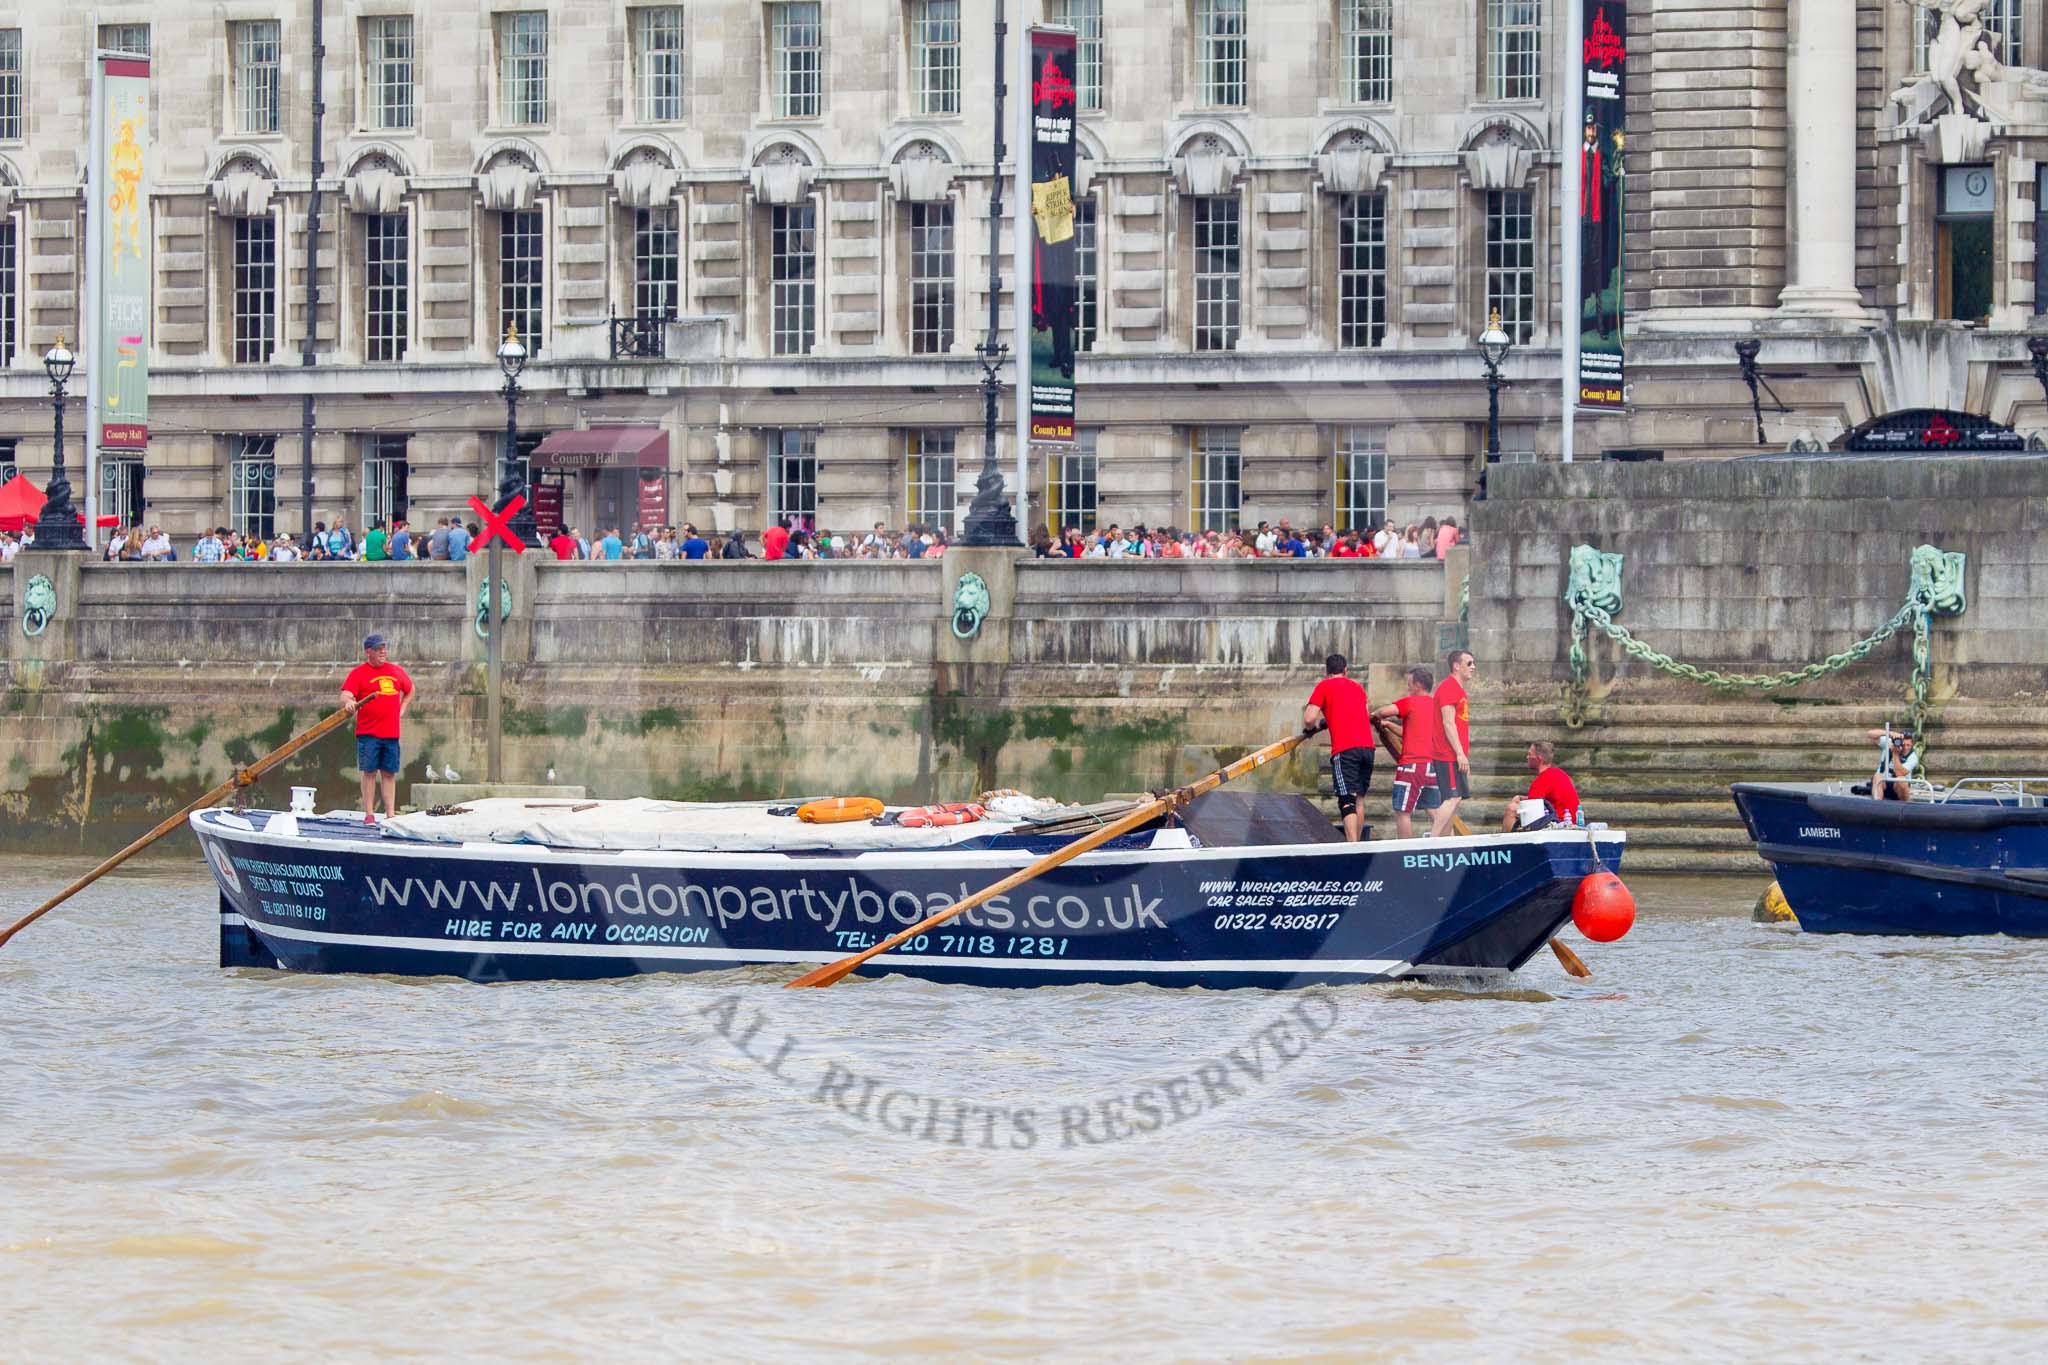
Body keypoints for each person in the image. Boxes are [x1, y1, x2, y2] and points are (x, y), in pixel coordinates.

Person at [341, 633, 413, 824]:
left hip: (391, 733)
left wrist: (402, 708)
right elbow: (346, 694)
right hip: (368, 733)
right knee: (370, 772)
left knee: (389, 773)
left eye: (384, 648)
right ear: (368, 652)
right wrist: (349, 702)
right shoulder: (358, 673)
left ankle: (390, 814)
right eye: (378, 649)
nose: (383, 651)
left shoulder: (396, 671)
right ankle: (370, 814)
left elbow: (410, 689)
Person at [1303, 653, 1375, 842]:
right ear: (1345, 670)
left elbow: (1309, 718)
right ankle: (1359, 847)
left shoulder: (1324, 686)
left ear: (1326, 671)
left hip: (1346, 750)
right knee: (1359, 799)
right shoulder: (1358, 688)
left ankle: (1352, 848)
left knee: (1346, 799)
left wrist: (1310, 728)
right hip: (1367, 748)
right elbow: (1364, 716)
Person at [1373, 666, 1450, 840]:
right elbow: (1412, 733)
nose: (1407, 687)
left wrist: (1375, 715)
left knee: (1402, 811)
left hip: (1411, 766)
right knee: (1434, 809)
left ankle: (1405, 850)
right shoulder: (1436, 706)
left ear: (1417, 685)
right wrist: (1390, 726)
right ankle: (1448, 844)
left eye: (1409, 683)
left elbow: (1384, 712)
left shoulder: (1410, 701)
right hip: (1432, 767)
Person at [1434, 649, 1476, 833]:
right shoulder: (1449, 687)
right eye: (1469, 663)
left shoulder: (1457, 689)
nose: (1473, 667)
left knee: (1455, 799)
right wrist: (1459, 753)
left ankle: (1445, 842)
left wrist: (1463, 755)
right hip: (1447, 753)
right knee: (1452, 798)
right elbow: (1448, 722)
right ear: (1456, 666)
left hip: (1456, 753)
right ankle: (1431, 840)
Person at [1503, 740, 1581, 830]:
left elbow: (1532, 810)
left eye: (1529, 754)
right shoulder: (1560, 773)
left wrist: (1517, 802)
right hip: (1572, 822)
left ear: (1539, 758)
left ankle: (1506, 842)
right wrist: (1521, 798)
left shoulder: (1542, 780)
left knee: (1511, 809)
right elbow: (1543, 801)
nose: (1527, 757)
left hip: (1557, 825)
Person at [1866, 723, 1921, 802]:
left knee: (1901, 780)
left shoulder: (1913, 757)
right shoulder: (1889, 743)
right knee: (1877, 776)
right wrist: (1889, 733)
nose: (1905, 748)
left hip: (1898, 787)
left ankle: (1905, 807)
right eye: (1903, 744)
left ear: (1912, 744)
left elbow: (1899, 773)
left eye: (1908, 745)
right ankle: (1877, 803)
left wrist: (1895, 754)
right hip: (1883, 782)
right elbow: (1870, 734)